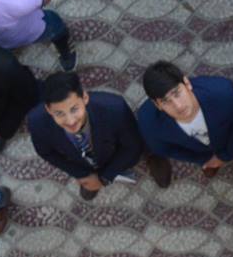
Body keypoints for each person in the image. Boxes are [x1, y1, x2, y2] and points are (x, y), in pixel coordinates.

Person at [28, 70, 168, 198]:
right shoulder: (36, 122)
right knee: (89, 176)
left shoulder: (115, 108)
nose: (70, 121)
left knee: (140, 140)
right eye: (59, 113)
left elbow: (132, 147)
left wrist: (103, 178)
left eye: (74, 109)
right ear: (48, 109)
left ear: (85, 98)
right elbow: (46, 153)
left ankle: (152, 155)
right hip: (82, 161)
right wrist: (82, 175)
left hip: (114, 151)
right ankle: (90, 176)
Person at [135, 61, 233, 177]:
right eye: (165, 101)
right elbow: (166, 149)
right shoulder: (148, 122)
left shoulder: (224, 94)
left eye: (177, 93)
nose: (178, 106)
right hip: (201, 149)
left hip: (230, 132)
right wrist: (204, 159)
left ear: (187, 83)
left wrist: (225, 156)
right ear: (157, 104)